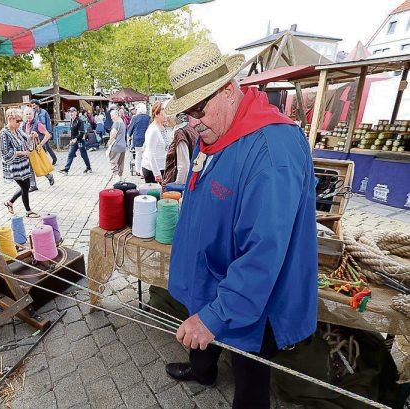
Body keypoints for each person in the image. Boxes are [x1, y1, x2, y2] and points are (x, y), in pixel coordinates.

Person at [162, 43, 317, 409]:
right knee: (199, 332)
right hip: (210, 275)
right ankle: (204, 372)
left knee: (249, 377)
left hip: (249, 295)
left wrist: (215, 316)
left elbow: (263, 255)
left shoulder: (271, 151)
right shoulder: (216, 129)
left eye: (199, 108)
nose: (193, 123)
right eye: (186, 112)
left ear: (230, 91)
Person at [1, 108, 40, 218]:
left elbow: (27, 140)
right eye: (18, 121)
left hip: (23, 164)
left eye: (20, 121)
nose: (20, 123)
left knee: (26, 186)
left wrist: (33, 135)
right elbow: (5, 153)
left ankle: (9, 202)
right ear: (10, 119)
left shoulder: (17, 130)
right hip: (14, 166)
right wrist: (21, 153)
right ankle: (28, 211)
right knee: (25, 187)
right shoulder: (4, 133)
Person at [22, 106, 55, 187]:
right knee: (30, 166)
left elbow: (48, 135)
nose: (28, 115)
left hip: (36, 149)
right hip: (28, 149)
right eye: (27, 114)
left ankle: (49, 176)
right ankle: (33, 185)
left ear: (33, 115)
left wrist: (40, 144)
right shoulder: (24, 124)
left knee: (39, 165)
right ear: (24, 115)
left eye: (30, 114)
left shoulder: (38, 124)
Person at [163, 115, 199, 184]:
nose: (166, 119)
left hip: (181, 181)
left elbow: (184, 167)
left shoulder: (180, 132)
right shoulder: (191, 128)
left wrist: (177, 185)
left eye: (167, 116)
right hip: (193, 177)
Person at [59, 107, 92, 175]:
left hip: (80, 141)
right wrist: (71, 139)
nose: (71, 113)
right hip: (74, 141)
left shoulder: (79, 121)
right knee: (70, 154)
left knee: (83, 155)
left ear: (76, 113)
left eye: (72, 111)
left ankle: (89, 168)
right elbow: (72, 132)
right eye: (70, 112)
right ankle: (66, 170)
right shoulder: (71, 120)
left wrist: (75, 139)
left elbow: (82, 132)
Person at [141, 101, 167, 184]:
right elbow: (150, 152)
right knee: (154, 195)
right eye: (164, 110)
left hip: (161, 167)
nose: (166, 113)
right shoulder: (153, 130)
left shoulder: (162, 127)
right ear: (156, 114)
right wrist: (157, 173)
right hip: (152, 170)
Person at [126, 103, 150, 176]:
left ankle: (138, 170)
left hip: (137, 139)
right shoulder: (149, 117)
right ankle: (144, 172)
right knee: (145, 155)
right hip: (146, 139)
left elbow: (131, 128)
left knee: (138, 155)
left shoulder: (135, 117)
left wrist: (129, 135)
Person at [30, 99, 57, 165]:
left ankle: (54, 158)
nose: (33, 107)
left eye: (34, 105)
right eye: (32, 105)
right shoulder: (34, 113)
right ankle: (43, 161)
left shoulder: (44, 112)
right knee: (40, 147)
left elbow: (48, 122)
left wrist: (50, 132)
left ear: (37, 105)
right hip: (38, 133)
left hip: (45, 132)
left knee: (47, 146)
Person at [107, 109, 127, 180]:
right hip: (123, 146)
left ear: (116, 115)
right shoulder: (122, 123)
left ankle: (116, 177)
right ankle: (120, 177)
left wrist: (109, 142)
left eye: (112, 116)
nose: (111, 117)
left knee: (113, 162)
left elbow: (113, 135)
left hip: (116, 146)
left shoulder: (116, 123)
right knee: (121, 163)